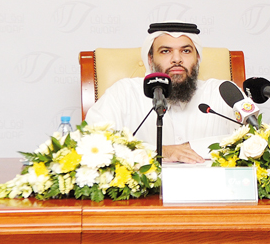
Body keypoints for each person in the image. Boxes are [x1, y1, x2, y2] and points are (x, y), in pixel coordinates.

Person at [85, 22, 239, 163]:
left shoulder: (223, 92)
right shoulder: (124, 93)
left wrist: (193, 147)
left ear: (197, 59)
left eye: (186, 51)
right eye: (165, 51)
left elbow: (251, 139)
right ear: (150, 59)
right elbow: (91, 142)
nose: (177, 59)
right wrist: (161, 151)